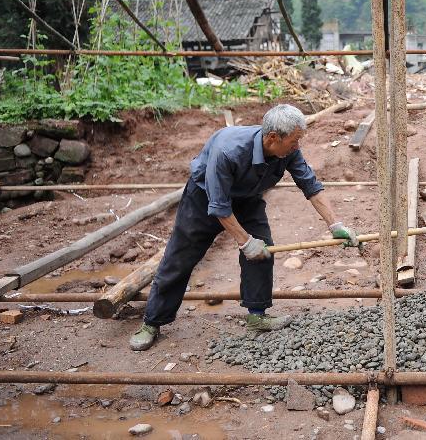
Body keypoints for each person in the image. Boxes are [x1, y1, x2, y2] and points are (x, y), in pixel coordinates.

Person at [129, 104, 356, 351]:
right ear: (272, 138)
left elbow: (310, 184)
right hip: (204, 197)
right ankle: (152, 322)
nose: (297, 146)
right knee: (180, 257)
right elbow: (219, 206)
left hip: (247, 197)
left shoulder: (288, 149)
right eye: (294, 141)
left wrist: (335, 224)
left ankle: (257, 314)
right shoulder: (228, 151)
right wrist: (245, 242)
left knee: (263, 249)